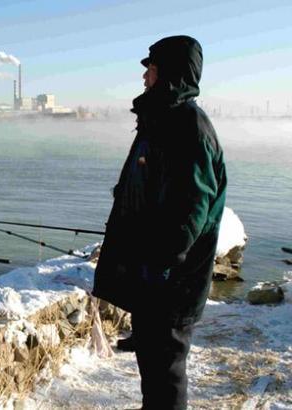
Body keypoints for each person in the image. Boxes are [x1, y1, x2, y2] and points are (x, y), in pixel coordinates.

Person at [92, 35, 227, 410]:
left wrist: (159, 267)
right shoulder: (162, 119)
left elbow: (189, 212)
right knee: (154, 374)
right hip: (154, 277)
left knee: (166, 376)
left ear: (167, 73)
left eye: (150, 69)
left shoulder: (187, 126)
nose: (144, 78)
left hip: (169, 283)